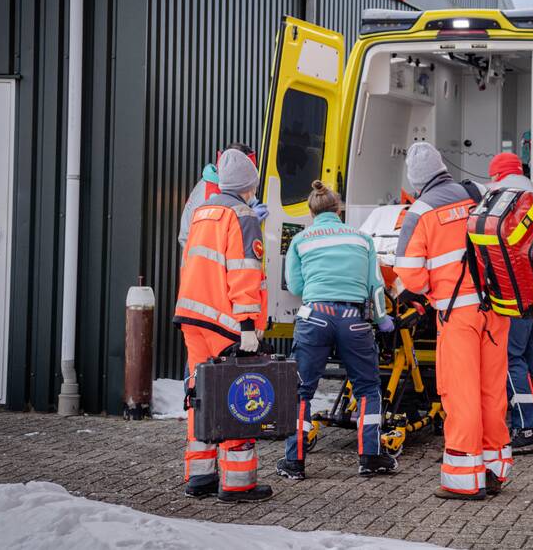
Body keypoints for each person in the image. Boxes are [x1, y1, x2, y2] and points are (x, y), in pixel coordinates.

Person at [394, 142, 512, 500]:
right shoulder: (475, 193)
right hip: (496, 309)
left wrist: (429, 291)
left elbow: (410, 275)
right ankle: (495, 469)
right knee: (491, 391)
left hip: (459, 317)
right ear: (442, 167)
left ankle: (464, 477)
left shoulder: (421, 211)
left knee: (460, 394)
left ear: (417, 182)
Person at [276, 181, 398, 480]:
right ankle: (370, 458)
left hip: (315, 317)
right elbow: (375, 286)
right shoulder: (361, 239)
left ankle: (294, 462)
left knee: (302, 390)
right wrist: (382, 320)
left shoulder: (301, 240)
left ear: (311, 210)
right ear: (338, 209)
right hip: (353, 319)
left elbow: (296, 286)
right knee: (368, 388)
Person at [173, 149, 272, 502]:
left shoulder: (203, 211)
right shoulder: (243, 216)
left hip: (193, 316)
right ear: (250, 184)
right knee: (237, 396)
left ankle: (200, 476)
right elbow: (244, 273)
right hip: (225, 321)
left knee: (200, 396)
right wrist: (247, 326)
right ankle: (238, 482)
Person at [487, 152, 533, 454]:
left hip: (515, 295)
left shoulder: (502, 200)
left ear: (498, 175)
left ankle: (526, 427)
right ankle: (531, 417)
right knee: (531, 358)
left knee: (510, 358)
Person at [178, 143, 268, 249]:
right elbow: (213, 236)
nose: (251, 191)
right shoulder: (210, 195)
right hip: (205, 260)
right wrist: (247, 222)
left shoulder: (222, 186)